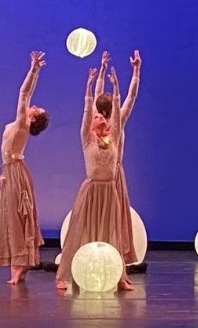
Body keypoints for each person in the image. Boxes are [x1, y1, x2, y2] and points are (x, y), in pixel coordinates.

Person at [55, 66, 133, 291]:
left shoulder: (115, 138)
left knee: (113, 233)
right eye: (95, 116)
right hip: (91, 191)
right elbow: (88, 108)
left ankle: (120, 276)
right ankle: (65, 276)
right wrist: (89, 85)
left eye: (101, 115)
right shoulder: (86, 139)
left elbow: (117, 113)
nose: (97, 117)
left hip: (110, 191)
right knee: (80, 231)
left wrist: (117, 86)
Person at [0, 51, 50, 284]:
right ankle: (21, 264)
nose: (33, 106)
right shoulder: (20, 126)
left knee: (15, 218)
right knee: (10, 217)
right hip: (11, 171)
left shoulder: (21, 125)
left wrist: (34, 69)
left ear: (32, 119)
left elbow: (24, 93)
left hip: (15, 173)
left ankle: (18, 265)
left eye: (37, 109)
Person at [94, 50, 141, 265]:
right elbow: (130, 97)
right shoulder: (109, 122)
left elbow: (98, 97)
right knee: (108, 217)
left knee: (110, 218)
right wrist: (136, 71)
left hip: (111, 176)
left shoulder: (110, 121)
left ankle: (113, 259)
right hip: (106, 177)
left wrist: (102, 71)